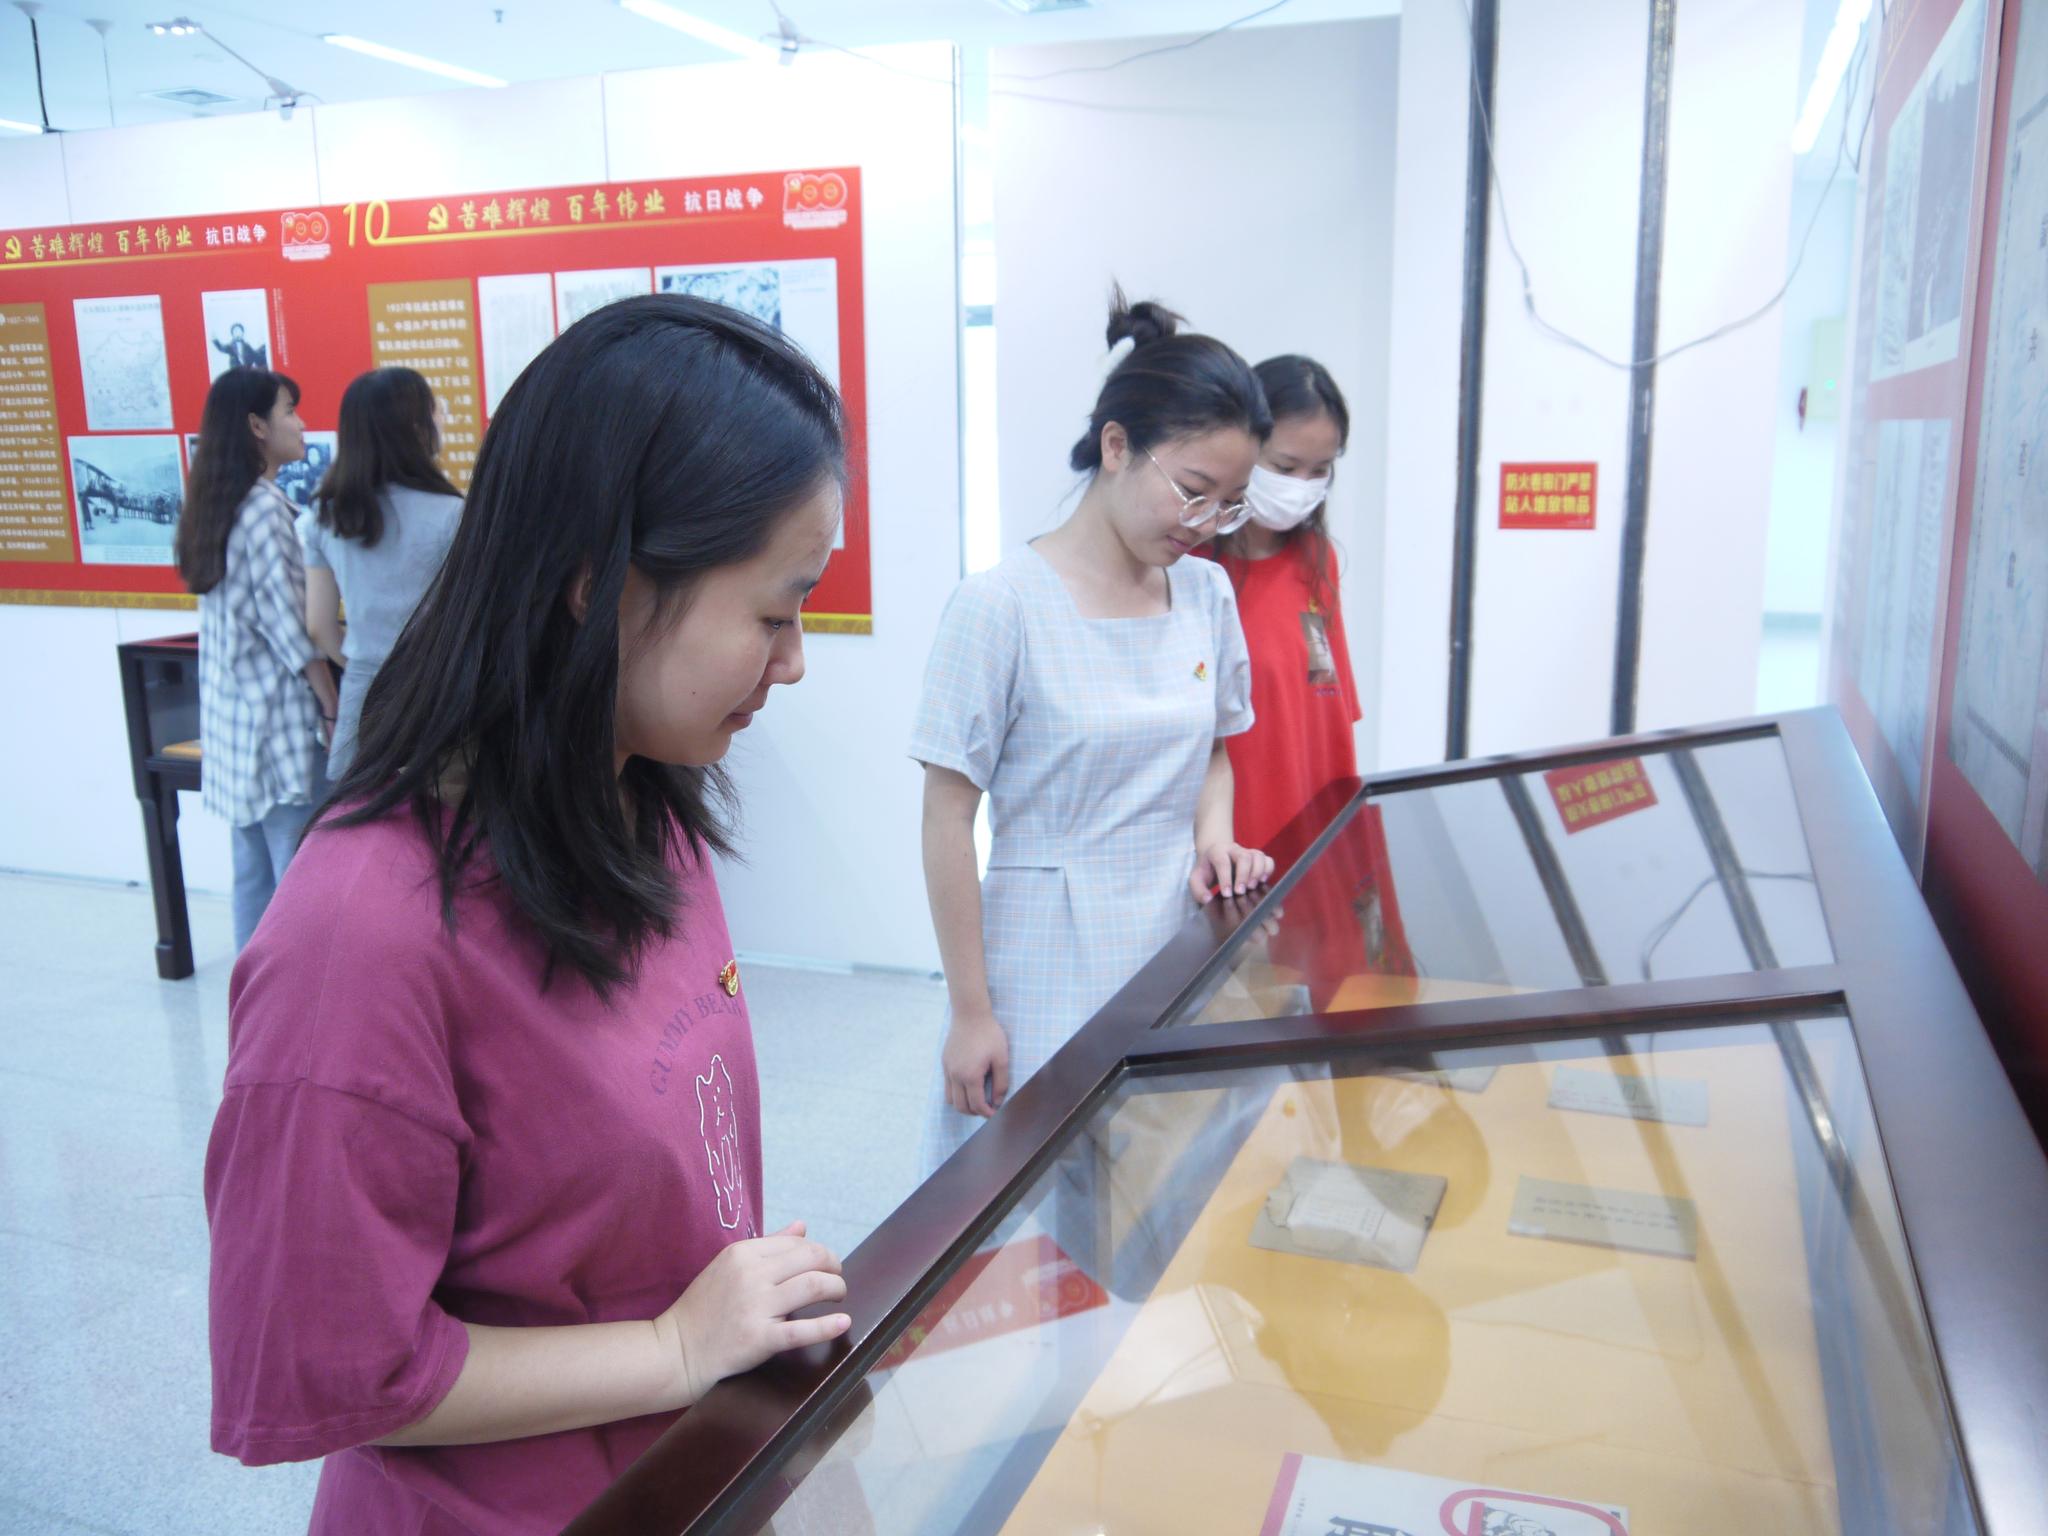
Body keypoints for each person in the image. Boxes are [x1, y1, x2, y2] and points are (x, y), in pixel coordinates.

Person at [204, 295, 853, 1534]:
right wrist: (670, 1348)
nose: (794, 659)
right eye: (772, 613)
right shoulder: (361, 934)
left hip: (679, 1476)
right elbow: (333, 1366)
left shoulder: (643, 803)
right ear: (596, 585)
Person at [911, 290, 1277, 1173]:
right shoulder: (1000, 606)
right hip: (1044, 946)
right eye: (1192, 492)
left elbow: (1214, 750)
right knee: (1033, 1188)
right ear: (1117, 446)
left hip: (1169, 930)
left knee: (1160, 1177)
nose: (1205, 525)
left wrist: (1215, 839)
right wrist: (970, 1010)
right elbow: (947, 818)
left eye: (1229, 505)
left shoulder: (1205, 593)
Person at [175, 367, 338, 951]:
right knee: (299, 879)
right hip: (277, 726)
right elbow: (294, 629)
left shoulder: (216, 506)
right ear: (256, 426)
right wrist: (332, 705)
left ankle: (251, 996)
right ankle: (292, 1000)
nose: (301, 423)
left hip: (235, 725)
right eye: (289, 411)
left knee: (252, 878)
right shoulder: (267, 511)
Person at [1207, 355, 1361, 851]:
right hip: (1233, 849)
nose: (1300, 486)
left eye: (1320, 470)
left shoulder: (1318, 559)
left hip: (1318, 840)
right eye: (1285, 467)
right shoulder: (1192, 571)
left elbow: (1330, 709)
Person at [300, 366, 464, 778]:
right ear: (416, 426)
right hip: (437, 701)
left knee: (361, 815)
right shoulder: (455, 514)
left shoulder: (327, 514)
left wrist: (369, 663)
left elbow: (319, 626)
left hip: (363, 700)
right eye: (435, 409)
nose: (442, 418)